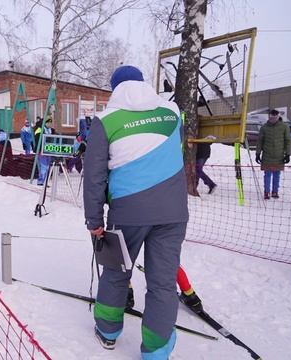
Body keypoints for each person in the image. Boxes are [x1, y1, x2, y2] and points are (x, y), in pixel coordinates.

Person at [83, 65, 188, 358]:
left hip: (129, 212)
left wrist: (94, 220)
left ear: (114, 88)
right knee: (163, 283)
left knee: (116, 271)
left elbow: (94, 176)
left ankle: (107, 330)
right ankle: (156, 351)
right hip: (173, 212)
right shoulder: (172, 112)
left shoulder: (105, 120)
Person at [255, 109, 291, 199]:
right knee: (267, 174)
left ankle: (275, 191)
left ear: (278, 116)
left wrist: (288, 154)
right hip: (267, 155)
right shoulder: (264, 127)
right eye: (271, 116)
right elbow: (260, 141)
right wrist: (258, 153)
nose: (273, 118)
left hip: (279, 155)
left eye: (275, 116)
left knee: (277, 174)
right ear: (269, 116)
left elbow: (288, 140)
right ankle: (266, 192)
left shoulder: (284, 127)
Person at [35, 118, 55, 185]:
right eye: (48, 123)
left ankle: (45, 181)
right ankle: (40, 181)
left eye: (50, 123)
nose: (50, 124)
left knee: (48, 166)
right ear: (45, 123)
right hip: (42, 151)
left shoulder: (51, 130)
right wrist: (39, 149)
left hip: (49, 150)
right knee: (44, 166)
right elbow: (37, 141)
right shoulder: (40, 130)